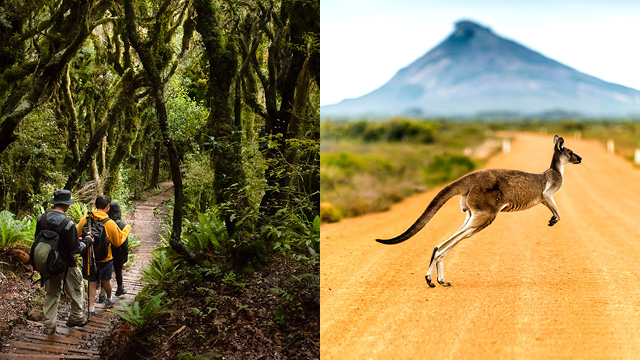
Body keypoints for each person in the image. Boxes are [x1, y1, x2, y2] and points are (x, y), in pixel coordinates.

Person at [36, 190, 90, 335]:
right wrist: (86, 242)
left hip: (48, 263)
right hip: (66, 264)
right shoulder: (68, 224)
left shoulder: (41, 218)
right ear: (66, 204)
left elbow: (38, 239)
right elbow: (75, 248)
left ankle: (48, 325)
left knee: (51, 293)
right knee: (77, 287)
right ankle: (76, 317)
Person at [76, 195, 131, 316]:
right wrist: (127, 229)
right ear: (108, 207)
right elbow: (118, 241)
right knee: (106, 280)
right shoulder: (110, 223)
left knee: (92, 281)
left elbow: (76, 235)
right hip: (105, 258)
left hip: (89, 256)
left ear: (95, 206)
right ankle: (109, 298)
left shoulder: (85, 219)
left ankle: (90, 308)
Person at [98, 200, 129, 302]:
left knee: (105, 274)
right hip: (118, 252)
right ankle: (120, 288)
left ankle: (102, 294)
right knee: (118, 271)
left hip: (107, 252)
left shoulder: (106, 222)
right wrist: (125, 254)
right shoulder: (120, 224)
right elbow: (124, 242)